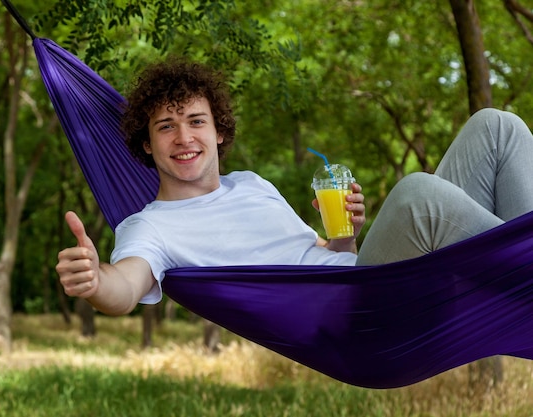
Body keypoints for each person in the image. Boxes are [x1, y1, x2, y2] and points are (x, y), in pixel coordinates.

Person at [56, 59, 533, 316]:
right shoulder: (151, 225)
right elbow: (127, 283)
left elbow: (317, 255)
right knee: (415, 196)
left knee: (497, 126)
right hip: (356, 319)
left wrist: (346, 236)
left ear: (218, 131)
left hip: (362, 276)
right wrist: (97, 282)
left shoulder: (251, 184)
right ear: (146, 144)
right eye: (166, 126)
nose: (184, 137)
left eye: (196, 121)